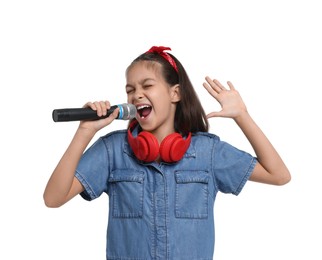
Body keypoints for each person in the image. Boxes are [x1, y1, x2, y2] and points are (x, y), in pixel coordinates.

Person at [43, 46, 291, 260]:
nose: (136, 94)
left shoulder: (208, 153)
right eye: (130, 89)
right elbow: (53, 198)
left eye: (147, 85)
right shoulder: (113, 151)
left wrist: (242, 116)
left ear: (175, 93)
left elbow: (278, 175)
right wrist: (85, 132)